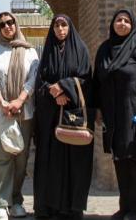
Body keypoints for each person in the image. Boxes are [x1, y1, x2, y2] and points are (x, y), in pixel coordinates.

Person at [89, 9, 136, 220]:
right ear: (113, 24)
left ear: (132, 24)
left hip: (134, 112)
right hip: (112, 114)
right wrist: (97, 107)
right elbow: (97, 80)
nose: (122, 23)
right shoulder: (105, 49)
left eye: (127, 21)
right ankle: (125, 207)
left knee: (135, 159)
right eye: (118, 20)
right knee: (119, 159)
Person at [31, 15, 93, 220]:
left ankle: (72, 208)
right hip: (50, 119)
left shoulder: (81, 50)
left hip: (72, 117)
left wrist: (64, 86)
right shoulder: (47, 52)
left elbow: (86, 79)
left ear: (70, 27)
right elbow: (40, 82)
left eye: (63, 24)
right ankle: (47, 207)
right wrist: (53, 91)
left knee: (74, 163)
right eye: (56, 25)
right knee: (49, 161)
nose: (60, 29)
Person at [0, 11, 39, 220]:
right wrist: (3, 103)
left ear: (16, 24)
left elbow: (34, 77)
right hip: (1, 112)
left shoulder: (30, 51)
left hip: (24, 112)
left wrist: (20, 100)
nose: (7, 26)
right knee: (2, 157)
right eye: (2, 24)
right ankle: (0, 203)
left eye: (10, 22)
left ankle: (16, 200)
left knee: (21, 159)